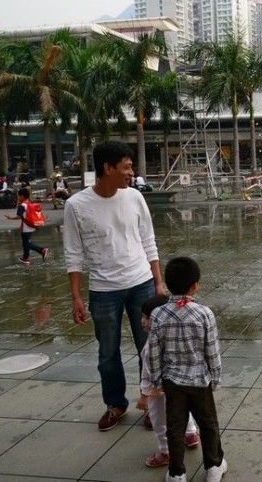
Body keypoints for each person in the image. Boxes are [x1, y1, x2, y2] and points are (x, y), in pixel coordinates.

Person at [63, 140, 165, 432]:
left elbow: (149, 241)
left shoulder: (134, 197)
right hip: (103, 291)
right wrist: (76, 297)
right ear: (107, 168)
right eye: (127, 166)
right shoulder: (76, 205)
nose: (132, 173)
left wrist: (158, 283)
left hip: (141, 284)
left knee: (148, 348)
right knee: (108, 353)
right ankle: (115, 404)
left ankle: (152, 404)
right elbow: (73, 254)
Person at [147, 257, 227, 482]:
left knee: (175, 427)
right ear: (195, 285)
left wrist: (157, 380)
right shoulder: (204, 313)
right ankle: (214, 466)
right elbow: (212, 350)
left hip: (173, 383)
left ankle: (177, 472)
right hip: (200, 381)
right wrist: (216, 377)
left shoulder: (158, 314)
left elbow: (153, 352)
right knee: (208, 424)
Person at [138, 294, 200, 468]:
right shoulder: (177, 336)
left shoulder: (151, 345)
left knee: (160, 421)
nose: (143, 321)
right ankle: (191, 434)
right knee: (182, 412)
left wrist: (144, 396)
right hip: (180, 386)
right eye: (142, 316)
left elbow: (148, 374)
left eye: (147, 318)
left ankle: (166, 451)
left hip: (158, 392)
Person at [5, 187, 50, 265]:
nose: (18, 197)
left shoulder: (22, 205)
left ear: (22, 196)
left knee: (27, 244)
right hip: (31, 225)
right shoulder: (29, 202)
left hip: (26, 227)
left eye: (18, 196)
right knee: (26, 242)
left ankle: (42, 250)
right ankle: (25, 258)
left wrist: (10, 217)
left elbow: (19, 216)